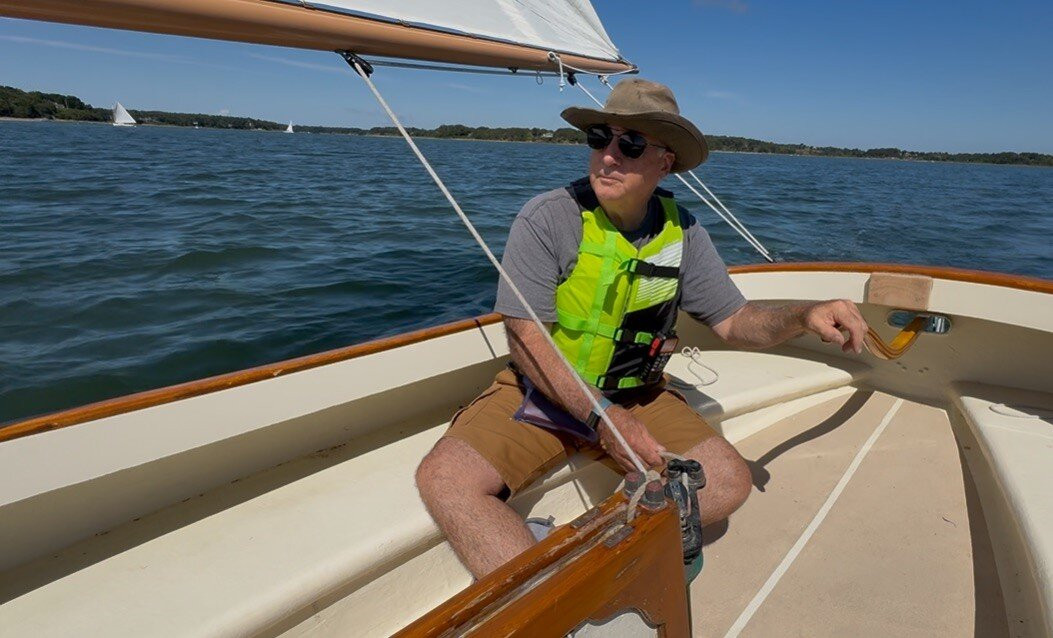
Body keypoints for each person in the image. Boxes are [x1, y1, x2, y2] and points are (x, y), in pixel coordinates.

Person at [416, 78, 869, 579]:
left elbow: (734, 321)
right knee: (446, 479)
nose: (608, 156)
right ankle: (543, 594)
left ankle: (591, 555)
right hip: (544, 390)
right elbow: (527, 339)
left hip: (638, 395)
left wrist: (801, 315)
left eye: (630, 145)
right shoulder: (548, 218)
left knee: (726, 483)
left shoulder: (685, 231)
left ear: (664, 162)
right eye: (599, 140)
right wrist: (602, 418)